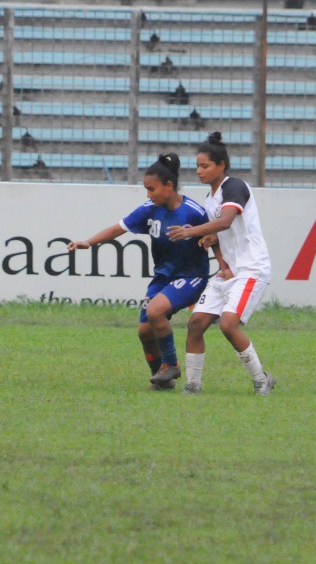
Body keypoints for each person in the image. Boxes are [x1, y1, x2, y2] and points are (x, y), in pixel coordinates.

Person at [68, 153, 212, 390]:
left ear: (168, 186)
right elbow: (118, 228)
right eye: (146, 189)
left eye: (151, 189)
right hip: (163, 277)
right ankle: (161, 380)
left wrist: (224, 265)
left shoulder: (194, 212)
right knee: (145, 332)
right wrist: (88, 242)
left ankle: (171, 364)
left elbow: (215, 236)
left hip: (191, 276)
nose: (148, 194)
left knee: (156, 311)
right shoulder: (149, 209)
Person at [166, 133, 275, 396]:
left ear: (221, 166)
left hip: (252, 269)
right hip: (229, 273)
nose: (199, 171)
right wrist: (221, 262)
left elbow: (225, 222)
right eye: (197, 166)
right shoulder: (210, 197)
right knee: (195, 324)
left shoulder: (234, 186)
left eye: (204, 166)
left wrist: (190, 232)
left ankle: (262, 379)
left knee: (228, 324)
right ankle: (192, 385)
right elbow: (219, 234)